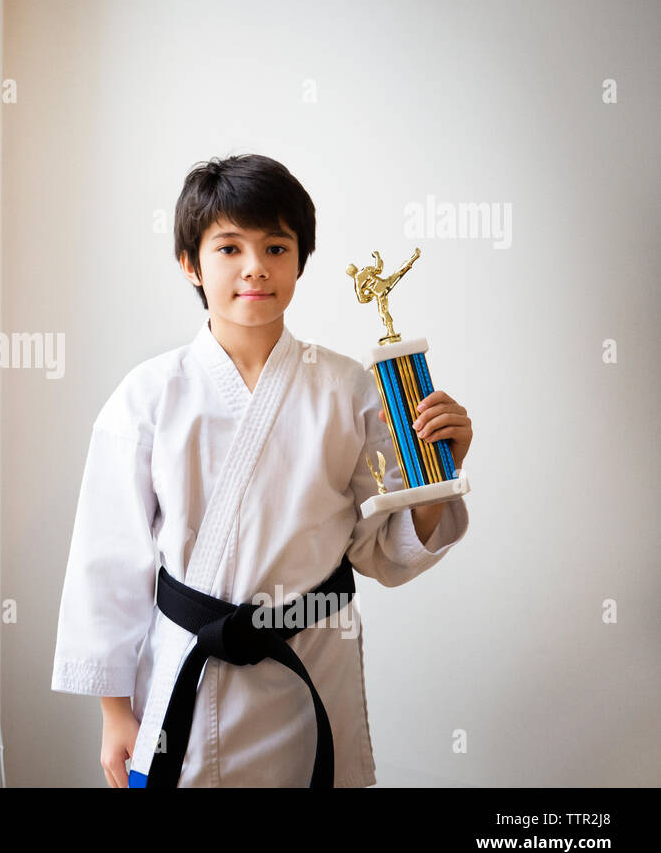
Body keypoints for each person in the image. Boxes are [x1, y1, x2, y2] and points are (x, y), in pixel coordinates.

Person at [49, 154, 473, 787]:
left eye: (277, 246)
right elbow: (107, 561)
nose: (255, 267)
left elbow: (384, 551)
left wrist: (438, 471)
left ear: (300, 259)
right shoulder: (148, 396)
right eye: (229, 248)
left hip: (309, 665)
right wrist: (115, 714)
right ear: (190, 263)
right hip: (189, 670)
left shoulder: (347, 388)